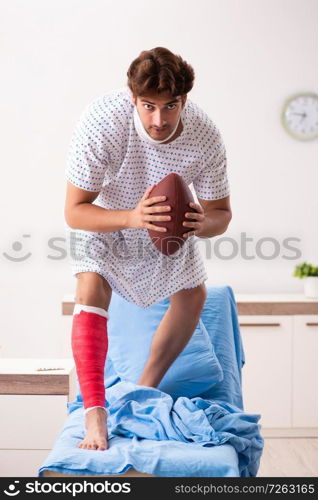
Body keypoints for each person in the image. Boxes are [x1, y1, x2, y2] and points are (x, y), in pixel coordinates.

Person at [64, 47, 232, 451]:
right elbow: (74, 212)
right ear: (132, 97)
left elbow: (221, 215)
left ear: (184, 100)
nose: (159, 120)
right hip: (109, 215)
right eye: (148, 106)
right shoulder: (103, 121)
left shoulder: (204, 136)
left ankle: (141, 391)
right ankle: (96, 414)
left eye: (170, 106)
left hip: (169, 222)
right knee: (89, 290)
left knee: (193, 296)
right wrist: (132, 217)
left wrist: (198, 223)